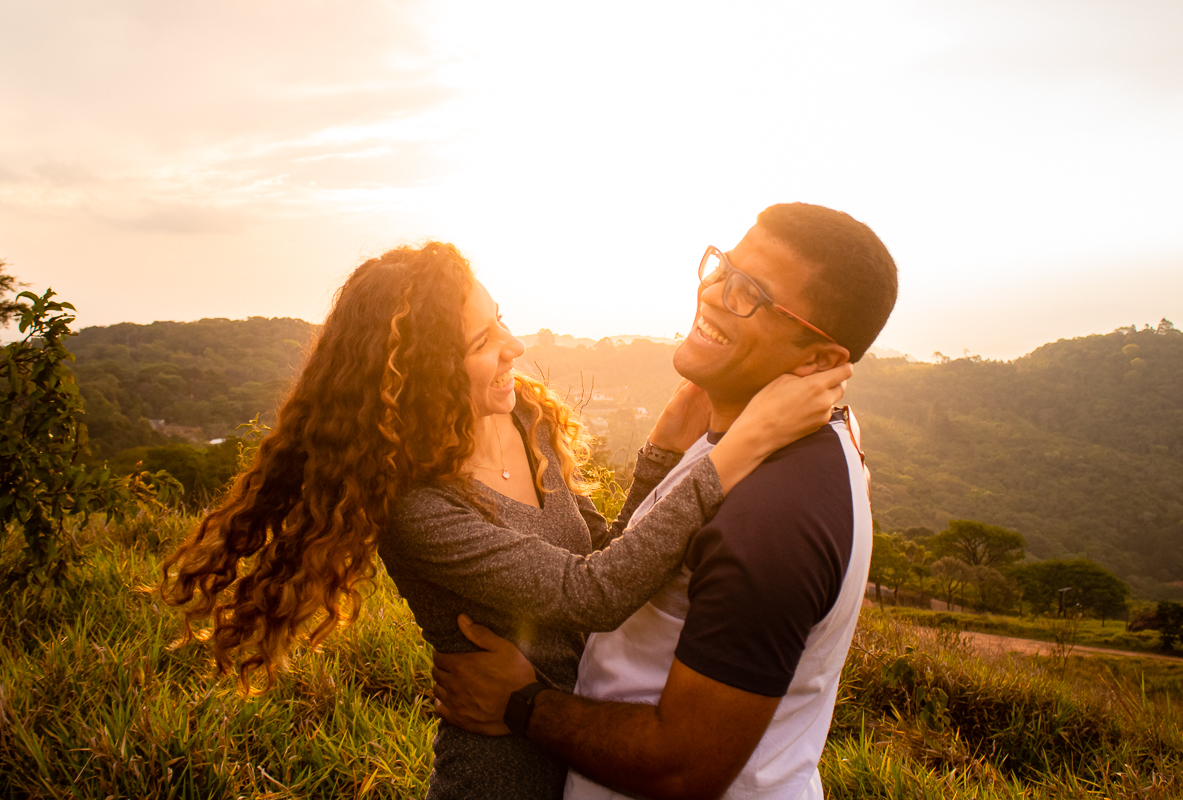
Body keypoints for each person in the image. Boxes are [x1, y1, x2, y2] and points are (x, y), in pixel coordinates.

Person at [158, 240, 851, 799]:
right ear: (430, 372)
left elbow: (604, 555)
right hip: (501, 772)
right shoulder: (422, 510)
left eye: (501, 319)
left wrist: (660, 456)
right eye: (484, 339)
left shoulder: (524, 420)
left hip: (585, 743)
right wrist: (741, 448)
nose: (514, 347)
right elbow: (594, 596)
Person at [431, 201, 899, 800]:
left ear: (819, 360)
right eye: (723, 267)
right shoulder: (754, 433)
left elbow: (684, 766)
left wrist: (521, 705)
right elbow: (629, 572)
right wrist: (658, 460)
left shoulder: (775, 513)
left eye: (749, 293)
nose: (712, 293)